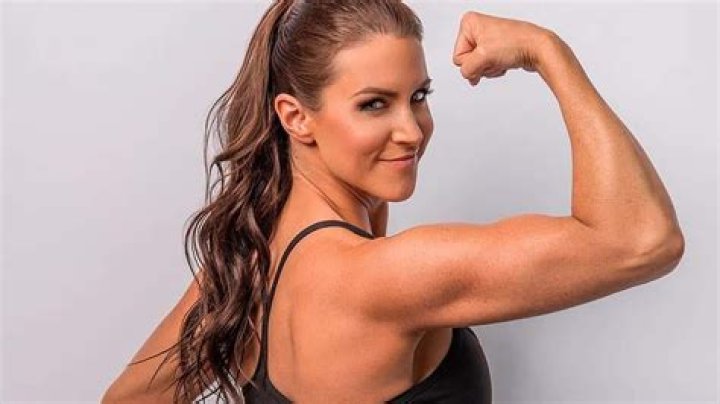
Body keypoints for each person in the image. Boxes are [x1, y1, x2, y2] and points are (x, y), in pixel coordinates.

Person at [101, 1, 685, 403]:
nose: (411, 130)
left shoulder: (248, 261)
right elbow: (641, 241)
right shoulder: (386, 279)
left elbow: (128, 399)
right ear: (296, 117)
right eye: (374, 104)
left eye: (419, 96)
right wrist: (547, 51)